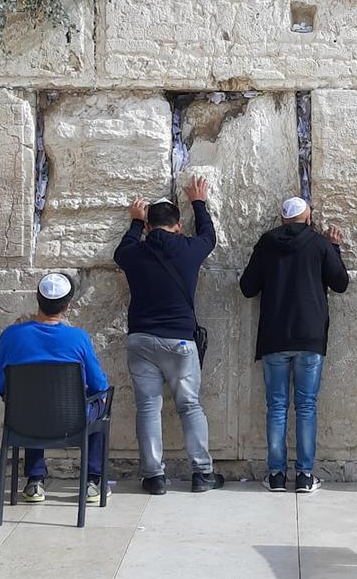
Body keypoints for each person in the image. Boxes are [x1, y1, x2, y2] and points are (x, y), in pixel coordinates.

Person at [113, 175, 225, 495]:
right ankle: (202, 473)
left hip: (142, 340)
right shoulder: (190, 248)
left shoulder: (135, 253)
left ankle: (154, 477)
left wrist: (135, 222)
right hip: (179, 340)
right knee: (189, 406)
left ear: (149, 227)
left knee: (148, 407)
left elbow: (122, 251)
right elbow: (209, 236)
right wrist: (199, 202)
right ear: (178, 226)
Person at [239, 197, 349, 494]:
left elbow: (247, 287)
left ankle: (276, 475)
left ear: (282, 218)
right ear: (308, 216)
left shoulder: (266, 243)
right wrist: (334, 248)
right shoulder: (319, 244)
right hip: (310, 337)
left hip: (275, 337)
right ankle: (304, 476)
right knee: (306, 407)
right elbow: (340, 283)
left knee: (276, 406)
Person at [0, 273, 111, 505]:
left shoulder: (11, 336)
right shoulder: (78, 338)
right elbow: (98, 384)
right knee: (100, 404)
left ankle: (35, 481)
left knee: (34, 401)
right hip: (72, 419)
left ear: (37, 298)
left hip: (22, 419)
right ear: (67, 306)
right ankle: (91, 483)